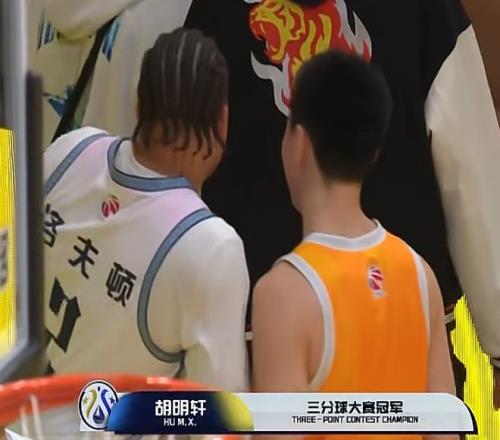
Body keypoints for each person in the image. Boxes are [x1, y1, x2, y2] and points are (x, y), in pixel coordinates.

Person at [184, 0, 500, 407]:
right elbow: (471, 163)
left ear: (297, 144)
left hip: (253, 335)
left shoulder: (213, 11)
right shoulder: (419, 277)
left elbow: (177, 156)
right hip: (400, 319)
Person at [252, 50, 457, 440]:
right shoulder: (419, 275)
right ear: (373, 151)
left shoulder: (283, 294)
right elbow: (445, 430)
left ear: (299, 143)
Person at [42, 28, 249, 391]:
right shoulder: (212, 249)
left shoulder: (71, 148)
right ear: (223, 122)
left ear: (138, 102)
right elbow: (217, 415)